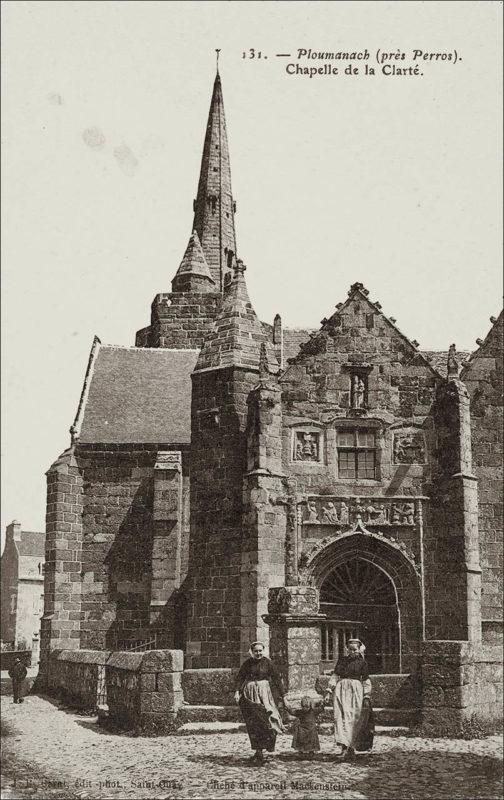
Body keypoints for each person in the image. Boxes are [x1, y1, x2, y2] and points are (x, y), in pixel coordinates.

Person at [234, 641, 285, 764]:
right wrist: (237, 692)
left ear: (263, 650)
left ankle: (268, 746)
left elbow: (277, 679)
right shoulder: (247, 664)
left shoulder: (268, 663)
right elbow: (240, 677)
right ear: (252, 652)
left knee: (269, 719)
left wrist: (283, 696)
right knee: (253, 722)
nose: (258, 653)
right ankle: (258, 751)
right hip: (250, 694)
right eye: (256, 651)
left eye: (260, 650)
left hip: (265, 694)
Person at [324, 638, 372, 761]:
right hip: (341, 690)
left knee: (354, 718)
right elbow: (335, 676)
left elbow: (366, 681)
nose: (352, 652)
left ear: (359, 649)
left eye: (354, 649)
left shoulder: (362, 663)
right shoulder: (342, 661)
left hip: (355, 691)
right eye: (350, 649)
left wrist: (366, 696)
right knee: (340, 717)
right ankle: (344, 748)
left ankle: (351, 748)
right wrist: (329, 691)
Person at [285, 695, 324, 759]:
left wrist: (288, 708)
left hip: (306, 730)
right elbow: (321, 709)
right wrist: (322, 704)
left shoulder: (306, 711)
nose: (305, 708)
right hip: (307, 730)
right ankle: (307, 752)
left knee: (304, 736)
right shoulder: (309, 711)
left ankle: (306, 752)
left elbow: (293, 712)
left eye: (306, 706)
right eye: (304, 706)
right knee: (306, 737)